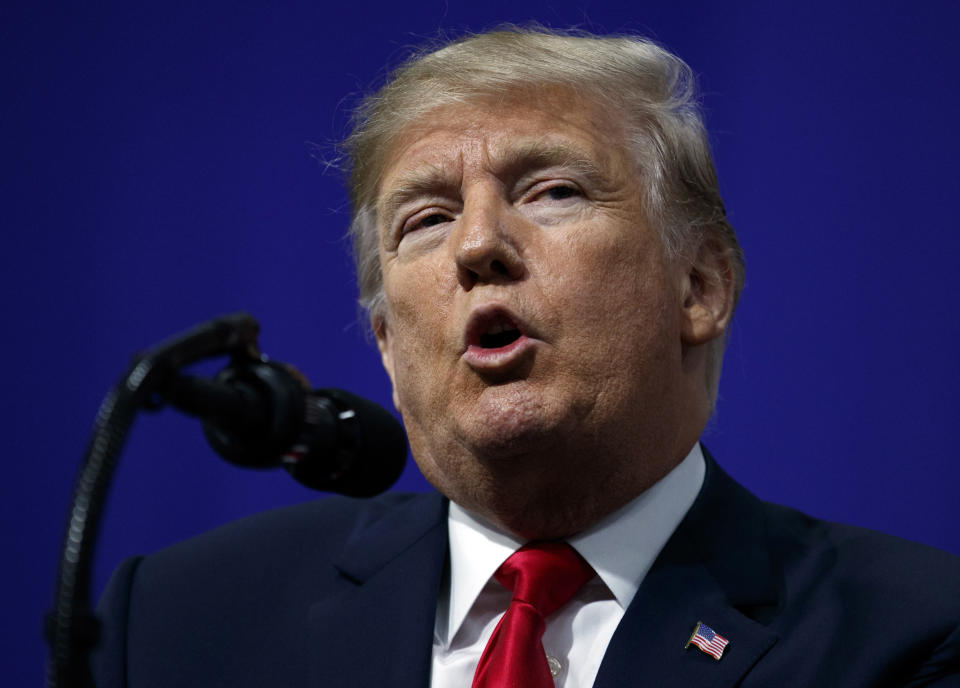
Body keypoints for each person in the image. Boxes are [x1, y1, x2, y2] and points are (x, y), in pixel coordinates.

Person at [92, 28, 960, 687]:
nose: (477, 244)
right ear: (389, 348)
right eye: (425, 218)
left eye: (552, 192)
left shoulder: (908, 635)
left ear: (698, 287)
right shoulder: (182, 623)